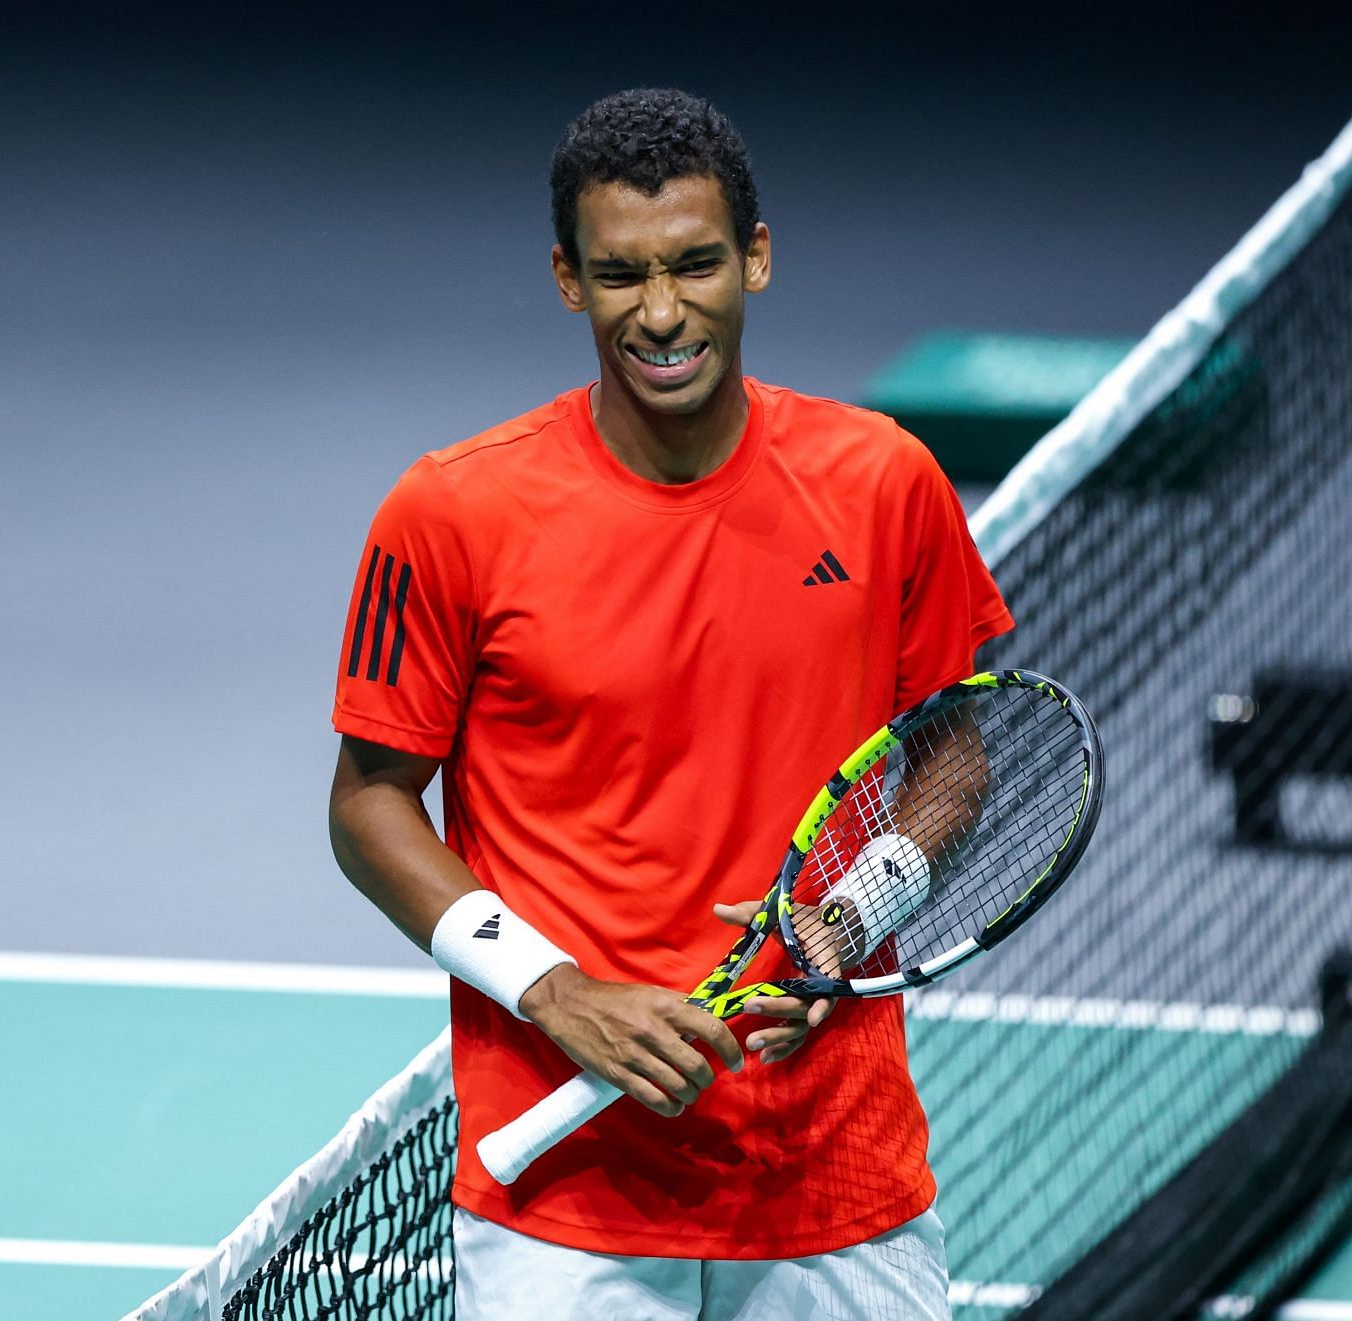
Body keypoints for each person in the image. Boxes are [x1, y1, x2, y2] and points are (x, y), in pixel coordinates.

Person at [328, 86, 1011, 1319]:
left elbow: (953, 758)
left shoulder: (883, 485)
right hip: (567, 1204)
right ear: (566, 279)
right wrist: (555, 991)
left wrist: (850, 920)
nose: (660, 313)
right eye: (620, 273)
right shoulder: (450, 514)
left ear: (755, 257)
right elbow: (370, 810)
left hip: (832, 1172)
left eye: (695, 264)